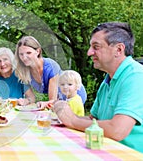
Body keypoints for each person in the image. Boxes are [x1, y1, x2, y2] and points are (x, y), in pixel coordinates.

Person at [53, 22, 143, 152]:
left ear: (119, 49)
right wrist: (64, 115)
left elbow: (117, 130)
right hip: (105, 151)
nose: (89, 52)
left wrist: (72, 121)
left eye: (96, 47)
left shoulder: (136, 76)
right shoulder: (108, 80)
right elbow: (93, 120)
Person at [15, 36, 87, 107]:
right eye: (21, 54)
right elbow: (31, 98)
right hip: (58, 102)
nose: (24, 58)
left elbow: (52, 101)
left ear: (38, 51)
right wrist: (26, 101)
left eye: (28, 53)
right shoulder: (24, 71)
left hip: (73, 95)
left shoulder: (50, 66)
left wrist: (44, 104)